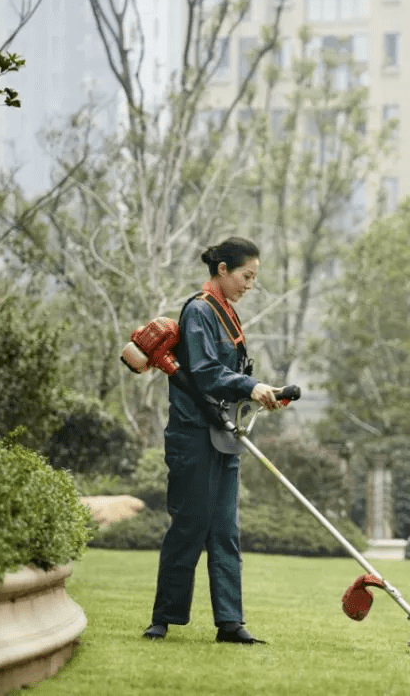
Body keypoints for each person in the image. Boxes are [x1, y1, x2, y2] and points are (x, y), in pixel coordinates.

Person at [142, 237, 284, 644]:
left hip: (224, 433)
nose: (250, 285)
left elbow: (228, 377)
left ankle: (230, 622)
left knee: (224, 529)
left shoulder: (227, 315)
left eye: (254, 277)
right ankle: (163, 618)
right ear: (222, 270)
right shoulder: (200, 311)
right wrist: (249, 384)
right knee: (190, 526)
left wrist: (261, 394)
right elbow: (204, 371)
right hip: (192, 436)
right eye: (246, 276)